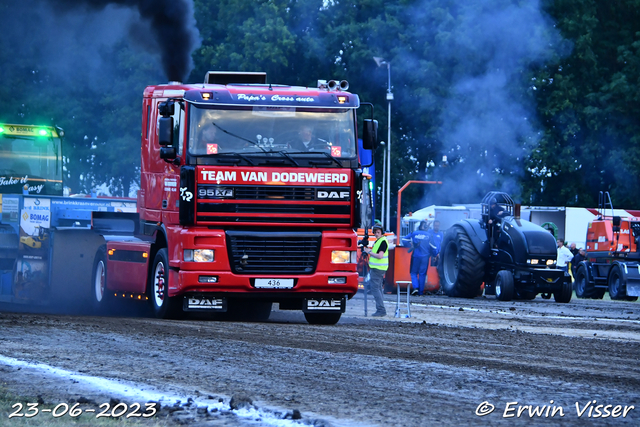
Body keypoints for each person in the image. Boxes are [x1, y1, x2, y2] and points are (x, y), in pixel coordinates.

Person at [363, 221, 388, 317]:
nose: (376, 234)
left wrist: (369, 251)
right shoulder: (380, 241)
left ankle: (381, 309)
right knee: (378, 288)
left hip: (378, 269)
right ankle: (381, 309)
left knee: (375, 289)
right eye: (375, 232)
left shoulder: (382, 241)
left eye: (378, 232)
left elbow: (380, 256)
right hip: (378, 268)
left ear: (382, 232)